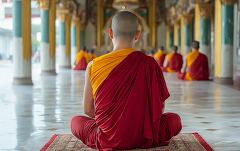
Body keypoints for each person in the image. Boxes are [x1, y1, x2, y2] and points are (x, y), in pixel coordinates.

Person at [71, 11, 182, 150]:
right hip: (144, 135)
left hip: (106, 138)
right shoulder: (150, 64)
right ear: (138, 34)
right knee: (175, 120)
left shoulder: (94, 65)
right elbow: (159, 108)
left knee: (75, 122)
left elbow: (88, 109)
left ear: (110, 33)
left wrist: (110, 120)